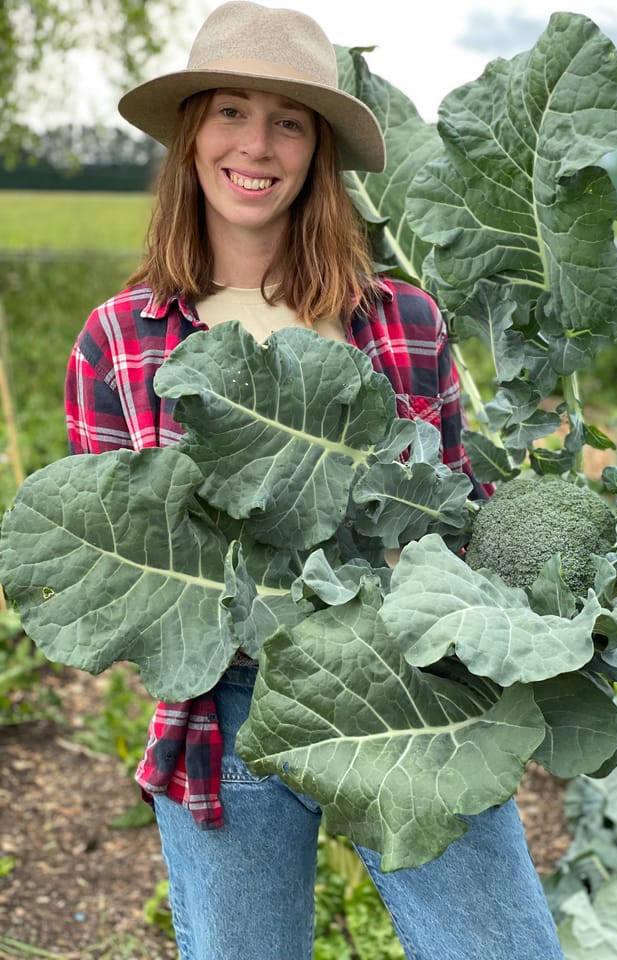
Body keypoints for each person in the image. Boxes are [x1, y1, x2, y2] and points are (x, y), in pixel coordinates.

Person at [64, 3, 565, 958]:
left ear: (318, 151)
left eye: (288, 121)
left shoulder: (405, 322)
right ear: (190, 137)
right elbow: (115, 558)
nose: (257, 145)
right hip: (230, 715)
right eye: (229, 113)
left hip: (415, 694)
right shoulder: (118, 339)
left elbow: (456, 518)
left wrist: (545, 581)